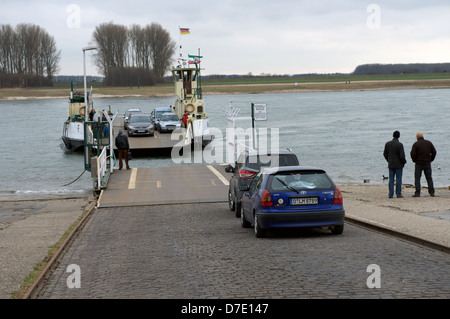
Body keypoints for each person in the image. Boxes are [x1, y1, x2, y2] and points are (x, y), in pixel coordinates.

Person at [410, 132, 436, 197]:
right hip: (427, 162)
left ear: (417, 137)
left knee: (417, 178)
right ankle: (431, 192)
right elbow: (434, 152)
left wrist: (414, 160)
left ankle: (417, 192)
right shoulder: (428, 143)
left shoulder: (416, 144)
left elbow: (412, 154)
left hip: (418, 163)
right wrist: (431, 159)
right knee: (429, 178)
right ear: (422, 136)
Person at [383, 131, 407, 198]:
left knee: (391, 179)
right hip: (399, 165)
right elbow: (402, 156)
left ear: (393, 135)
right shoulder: (400, 145)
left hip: (391, 164)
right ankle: (398, 193)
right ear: (398, 136)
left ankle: (390, 194)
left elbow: (385, 154)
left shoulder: (387, 144)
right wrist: (404, 162)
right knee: (398, 179)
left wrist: (388, 160)